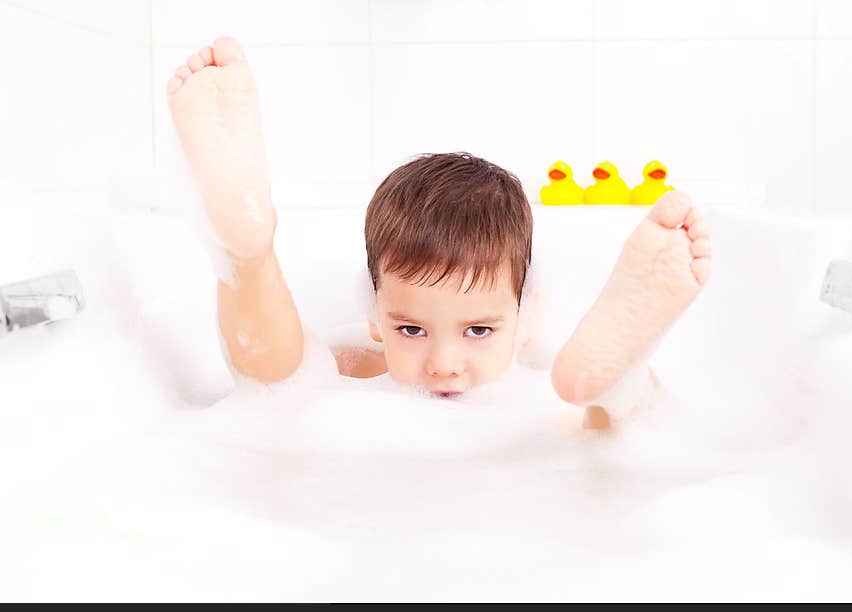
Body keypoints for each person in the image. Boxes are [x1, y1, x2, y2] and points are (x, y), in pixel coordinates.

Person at [166, 37, 711, 429]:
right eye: (411, 331)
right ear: (375, 318)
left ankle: (612, 382)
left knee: (279, 382)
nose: (444, 364)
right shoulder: (376, 364)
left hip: (520, 423)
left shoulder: (534, 370)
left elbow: (274, 385)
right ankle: (246, 248)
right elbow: (279, 374)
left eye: (477, 331)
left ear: (525, 320)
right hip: (525, 462)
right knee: (282, 379)